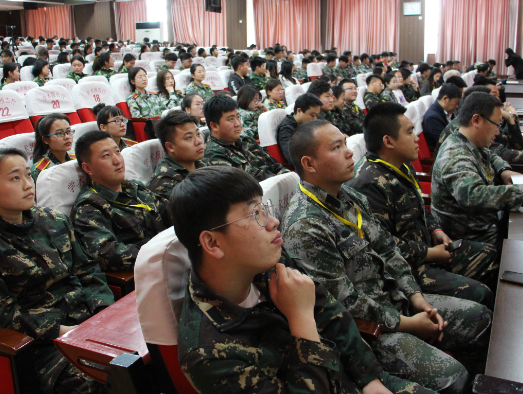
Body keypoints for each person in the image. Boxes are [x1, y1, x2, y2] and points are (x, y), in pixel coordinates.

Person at [171, 165, 433, 394]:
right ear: (212, 243)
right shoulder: (208, 355)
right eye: (255, 214)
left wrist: (369, 379)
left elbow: (331, 311)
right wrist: (301, 318)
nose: (273, 222)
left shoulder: (268, 260)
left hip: (351, 377)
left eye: (265, 209)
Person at [281, 120, 493, 393]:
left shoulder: (352, 197)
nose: (349, 152)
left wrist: (417, 299)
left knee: (480, 317)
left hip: (397, 300)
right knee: (454, 376)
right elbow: (344, 302)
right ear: (309, 164)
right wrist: (407, 324)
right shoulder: (306, 226)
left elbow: (389, 251)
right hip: (370, 331)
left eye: (346, 143)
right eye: (337, 147)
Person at [0, 148, 114, 394]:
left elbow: (88, 271)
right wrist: (61, 331)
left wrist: (102, 314)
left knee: (147, 352)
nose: (28, 185)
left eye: (28, 175)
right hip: (44, 345)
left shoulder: (54, 219)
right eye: (15, 178)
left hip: (89, 321)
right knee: (108, 378)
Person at [349, 103, 496, 309]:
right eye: (410, 132)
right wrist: (429, 254)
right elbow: (382, 245)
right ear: (388, 141)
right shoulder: (368, 184)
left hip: (428, 249)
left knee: (491, 254)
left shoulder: (403, 164)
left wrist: (435, 229)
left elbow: (419, 207)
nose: (417, 137)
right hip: (407, 269)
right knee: (481, 294)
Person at [431, 92, 523, 247]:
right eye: (496, 125)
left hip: (484, 228)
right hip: (469, 241)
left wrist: (503, 170)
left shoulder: (467, 141)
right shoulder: (455, 156)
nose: (498, 132)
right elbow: (475, 197)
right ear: (476, 120)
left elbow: (490, 155)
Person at [72, 131, 168, 271]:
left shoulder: (135, 187)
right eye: (106, 155)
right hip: (144, 272)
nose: (117, 160)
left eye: (117, 152)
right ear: (87, 168)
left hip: (168, 259)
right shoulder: (90, 206)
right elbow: (108, 254)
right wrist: (161, 251)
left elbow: (170, 211)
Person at [202, 95, 289, 181]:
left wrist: (291, 179)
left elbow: (274, 167)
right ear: (214, 126)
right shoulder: (214, 155)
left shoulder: (246, 140)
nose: (238, 124)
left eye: (238, 117)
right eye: (231, 119)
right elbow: (245, 189)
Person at [148, 110, 205, 204]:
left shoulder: (199, 163)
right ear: (170, 147)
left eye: (198, 134)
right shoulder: (165, 182)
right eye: (189, 137)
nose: (198, 141)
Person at [277, 93, 321, 165]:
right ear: (299, 111)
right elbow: (292, 158)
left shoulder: (304, 124)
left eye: (316, 116)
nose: (314, 119)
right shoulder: (287, 129)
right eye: (312, 115)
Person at [30, 113, 76, 182]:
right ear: (46, 139)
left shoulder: (76, 159)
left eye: (68, 131)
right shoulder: (40, 170)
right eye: (60, 133)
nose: (67, 137)